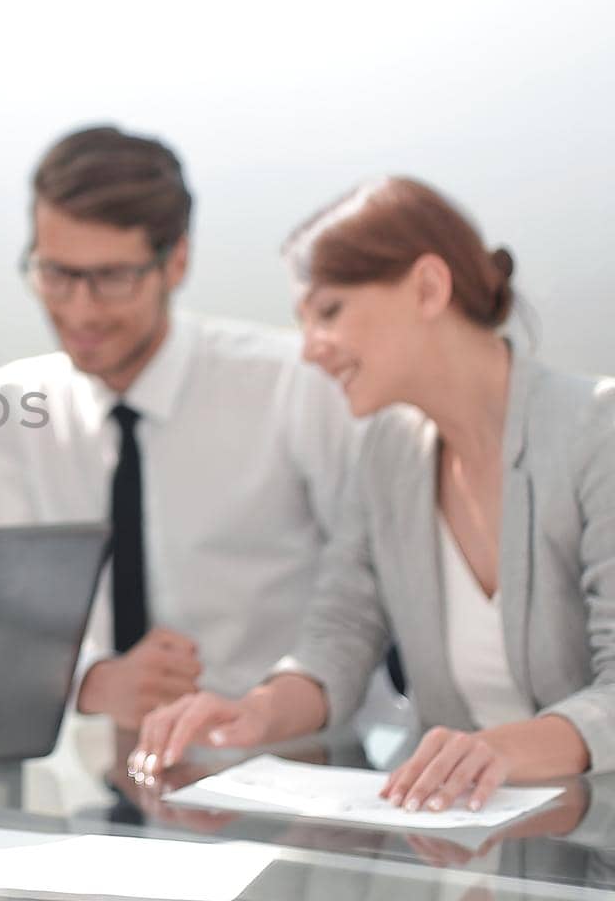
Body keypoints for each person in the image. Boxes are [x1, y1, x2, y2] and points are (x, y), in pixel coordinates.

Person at [131, 177, 615, 811]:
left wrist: (503, 749)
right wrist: (255, 712)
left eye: (329, 311)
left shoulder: (596, 433)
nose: (310, 350)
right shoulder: (388, 449)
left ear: (428, 288)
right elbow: (343, 629)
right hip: (459, 844)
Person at [0, 126, 363, 728]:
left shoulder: (292, 385)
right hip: (82, 775)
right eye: (56, 274)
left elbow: (366, 587)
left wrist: (276, 704)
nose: (79, 310)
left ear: (176, 260)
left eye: (111, 278)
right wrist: (94, 681)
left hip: (275, 758)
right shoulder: (17, 406)